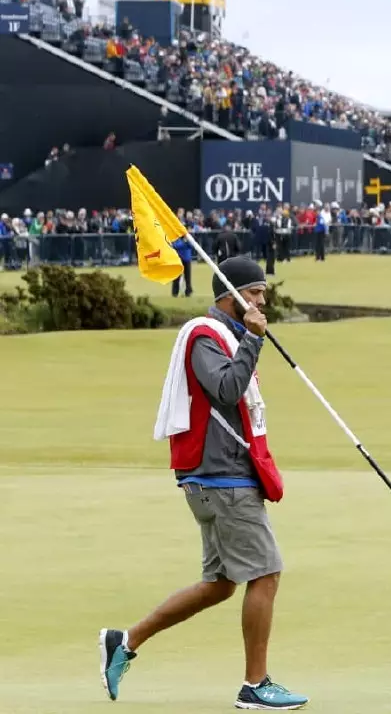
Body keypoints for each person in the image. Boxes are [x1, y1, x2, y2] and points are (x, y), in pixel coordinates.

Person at [98, 256, 308, 711]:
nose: (261, 302)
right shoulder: (204, 336)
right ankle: (255, 685)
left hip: (219, 478)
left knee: (220, 584)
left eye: (262, 294)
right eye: (253, 293)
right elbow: (227, 389)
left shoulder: (227, 337)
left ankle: (125, 640)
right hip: (223, 478)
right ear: (230, 294)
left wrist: (248, 339)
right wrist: (253, 339)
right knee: (265, 573)